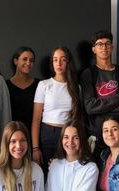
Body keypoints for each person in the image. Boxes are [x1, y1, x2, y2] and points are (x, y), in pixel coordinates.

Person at [80, 30, 119, 163]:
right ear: (94, 49)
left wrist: (103, 109)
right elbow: (90, 107)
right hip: (97, 135)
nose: (104, 47)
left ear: (112, 47)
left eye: (107, 44)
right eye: (99, 44)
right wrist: (116, 99)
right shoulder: (88, 73)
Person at [31, 46, 81, 175]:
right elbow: (36, 119)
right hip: (48, 134)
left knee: (68, 174)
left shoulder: (76, 87)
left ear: (68, 62)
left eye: (62, 59)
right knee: (49, 174)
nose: (58, 63)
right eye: (55, 59)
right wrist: (35, 148)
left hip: (69, 136)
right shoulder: (44, 85)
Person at [40, 120, 98, 191]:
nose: (70, 142)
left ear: (82, 140)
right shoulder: (54, 164)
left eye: (75, 138)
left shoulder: (90, 168)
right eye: (66, 137)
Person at [6, 47, 39, 132]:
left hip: (34, 134)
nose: (28, 63)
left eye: (31, 60)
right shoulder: (5, 85)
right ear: (16, 61)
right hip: (13, 134)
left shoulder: (39, 85)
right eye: (24, 59)